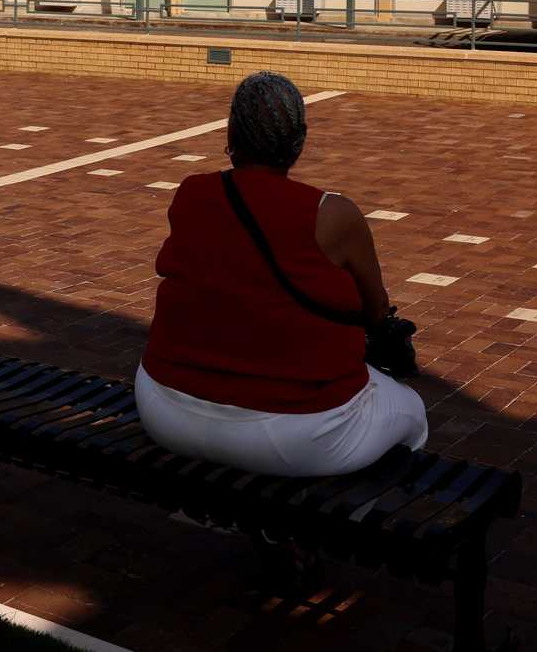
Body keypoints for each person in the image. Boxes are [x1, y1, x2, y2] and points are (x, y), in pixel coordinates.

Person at [137, 71, 427, 478]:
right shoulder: (332, 214)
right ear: (298, 141)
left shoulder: (191, 193)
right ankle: (347, 526)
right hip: (295, 431)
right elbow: (375, 308)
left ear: (232, 133)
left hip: (165, 406)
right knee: (412, 413)